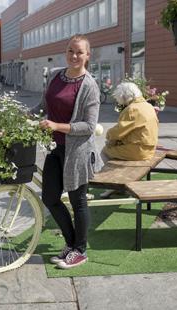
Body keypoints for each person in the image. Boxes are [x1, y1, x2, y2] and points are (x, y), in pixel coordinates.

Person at [31, 34, 103, 269]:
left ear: (87, 56)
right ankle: (72, 244)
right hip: (55, 148)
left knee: (78, 200)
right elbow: (43, 106)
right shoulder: (55, 76)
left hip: (78, 152)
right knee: (50, 197)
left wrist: (56, 126)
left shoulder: (89, 86)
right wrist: (18, 117)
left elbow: (89, 127)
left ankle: (80, 250)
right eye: (71, 51)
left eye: (79, 52)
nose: (74, 56)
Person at [103, 82, 159, 161]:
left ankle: (104, 173)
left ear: (123, 97)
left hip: (138, 151)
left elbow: (118, 132)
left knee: (105, 151)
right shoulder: (149, 106)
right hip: (150, 149)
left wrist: (108, 134)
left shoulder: (131, 109)